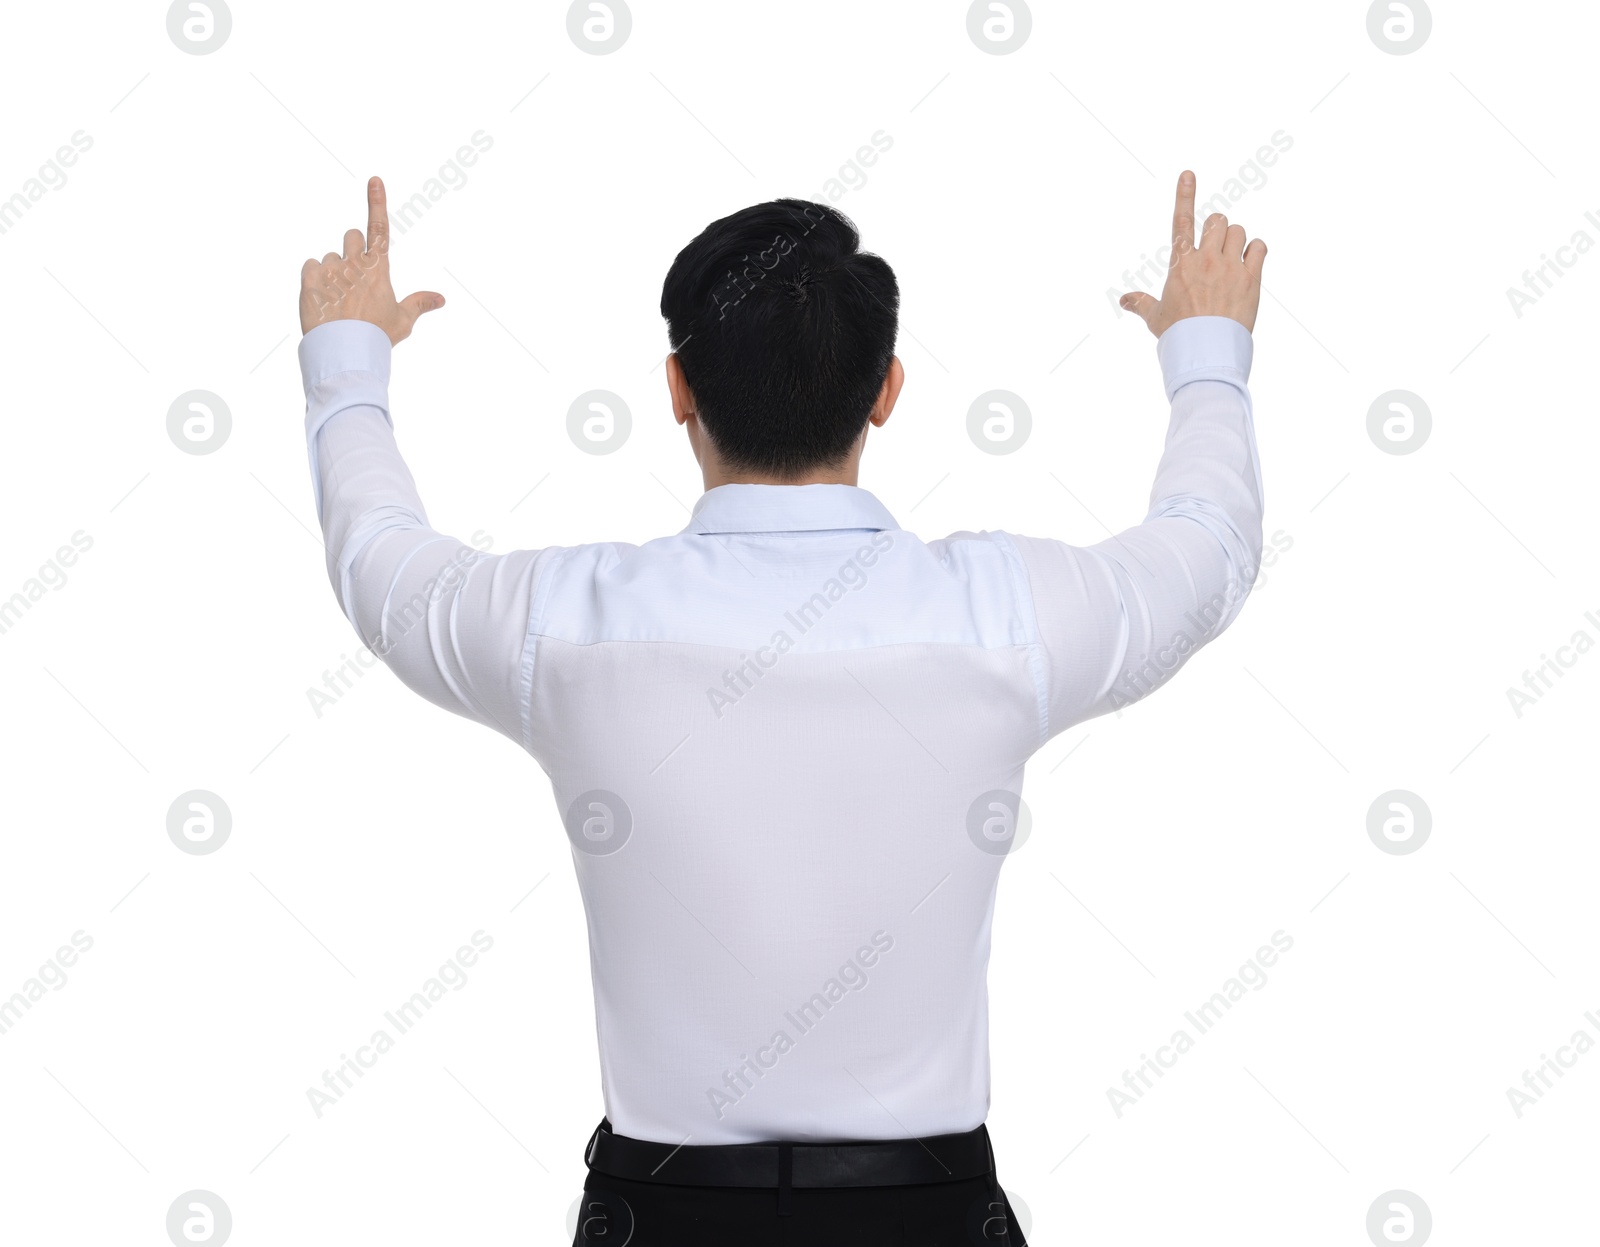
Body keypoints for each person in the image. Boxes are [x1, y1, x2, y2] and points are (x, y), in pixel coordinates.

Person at [295, 171, 1266, 1246]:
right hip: (925, 1215)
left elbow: (380, 568)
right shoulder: (1008, 615)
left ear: (677, 389)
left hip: (666, 1218)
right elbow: (1208, 549)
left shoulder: (561, 622)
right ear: (888, 388)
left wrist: (349, 363)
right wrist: (1207, 354)